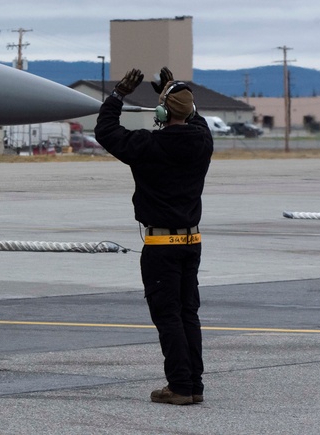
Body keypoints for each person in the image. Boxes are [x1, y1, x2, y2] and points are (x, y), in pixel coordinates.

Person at [94, 66, 213, 406]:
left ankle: (179, 385)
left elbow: (106, 131)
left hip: (161, 245)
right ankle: (194, 385)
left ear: (161, 112)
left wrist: (118, 96)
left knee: (168, 316)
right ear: (189, 112)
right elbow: (197, 120)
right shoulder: (203, 141)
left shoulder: (146, 145)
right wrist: (178, 92)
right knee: (188, 314)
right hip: (192, 242)